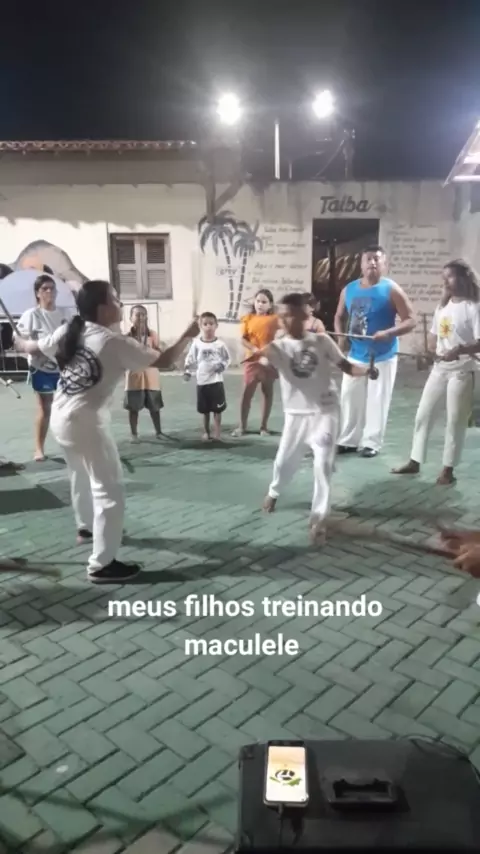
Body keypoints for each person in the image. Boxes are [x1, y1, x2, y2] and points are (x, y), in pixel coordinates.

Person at [14, 280, 199, 583]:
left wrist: (18, 341)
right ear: (102, 308)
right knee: (110, 492)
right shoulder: (113, 342)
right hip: (86, 423)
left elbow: (31, 347)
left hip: (62, 417)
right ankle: (102, 564)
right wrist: (188, 335)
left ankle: (88, 527)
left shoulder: (70, 330)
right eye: (115, 299)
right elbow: (165, 361)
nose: (120, 304)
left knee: (80, 476)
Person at [244, 293, 379, 544]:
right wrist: (260, 364)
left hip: (325, 411)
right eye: (281, 316)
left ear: (304, 315)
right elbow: (264, 361)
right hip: (296, 415)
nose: (285, 320)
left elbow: (346, 366)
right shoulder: (278, 347)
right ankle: (275, 490)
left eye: (290, 315)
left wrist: (366, 371)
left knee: (323, 466)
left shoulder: (322, 341)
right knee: (284, 462)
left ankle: (319, 519)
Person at [392, 260, 480, 485]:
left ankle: (448, 469)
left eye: (450, 276)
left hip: (463, 370)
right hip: (440, 369)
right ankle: (414, 461)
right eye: (444, 277)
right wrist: (428, 351)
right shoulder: (444, 306)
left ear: (463, 278)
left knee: (455, 420)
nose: (445, 282)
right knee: (424, 414)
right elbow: (435, 336)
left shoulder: (474, 306)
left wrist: (459, 349)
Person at [334, 245, 415, 458]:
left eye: (377, 259)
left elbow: (411, 320)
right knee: (350, 397)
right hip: (355, 354)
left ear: (384, 265)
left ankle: (372, 442)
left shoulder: (391, 289)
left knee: (377, 400)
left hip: (382, 355)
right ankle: (349, 440)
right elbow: (339, 316)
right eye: (368, 259)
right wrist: (341, 338)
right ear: (361, 265)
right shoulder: (349, 289)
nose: (372, 262)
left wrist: (388, 333)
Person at [17, 273, 73, 461]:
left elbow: (73, 338)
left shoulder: (65, 314)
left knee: (69, 407)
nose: (49, 291)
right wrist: (28, 346)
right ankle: (39, 448)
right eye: (45, 289)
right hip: (42, 368)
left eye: (52, 288)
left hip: (64, 366)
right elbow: (18, 341)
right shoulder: (31, 315)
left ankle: (72, 445)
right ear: (37, 293)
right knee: (45, 407)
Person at [232, 289, 279, 437]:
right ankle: (242, 427)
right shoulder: (248, 319)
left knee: (267, 394)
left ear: (270, 305)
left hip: (269, 362)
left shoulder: (275, 320)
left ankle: (264, 427)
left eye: (264, 302)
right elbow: (243, 339)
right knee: (246, 394)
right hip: (252, 361)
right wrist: (254, 349)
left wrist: (268, 349)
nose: (260, 304)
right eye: (258, 301)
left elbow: (282, 335)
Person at [184, 311, 230, 441]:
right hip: (202, 382)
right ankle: (206, 432)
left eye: (211, 324)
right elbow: (190, 358)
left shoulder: (220, 344)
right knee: (205, 411)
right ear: (201, 326)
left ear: (216, 325)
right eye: (205, 324)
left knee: (217, 410)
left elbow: (227, 358)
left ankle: (217, 433)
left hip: (216, 382)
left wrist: (222, 366)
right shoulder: (196, 343)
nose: (208, 327)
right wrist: (187, 371)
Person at [124, 305, 164, 442]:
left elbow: (158, 351)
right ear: (131, 318)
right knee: (133, 409)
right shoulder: (127, 338)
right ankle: (134, 434)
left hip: (151, 377)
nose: (141, 317)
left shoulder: (152, 335)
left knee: (155, 408)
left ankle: (159, 432)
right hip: (134, 378)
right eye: (137, 314)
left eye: (143, 314)